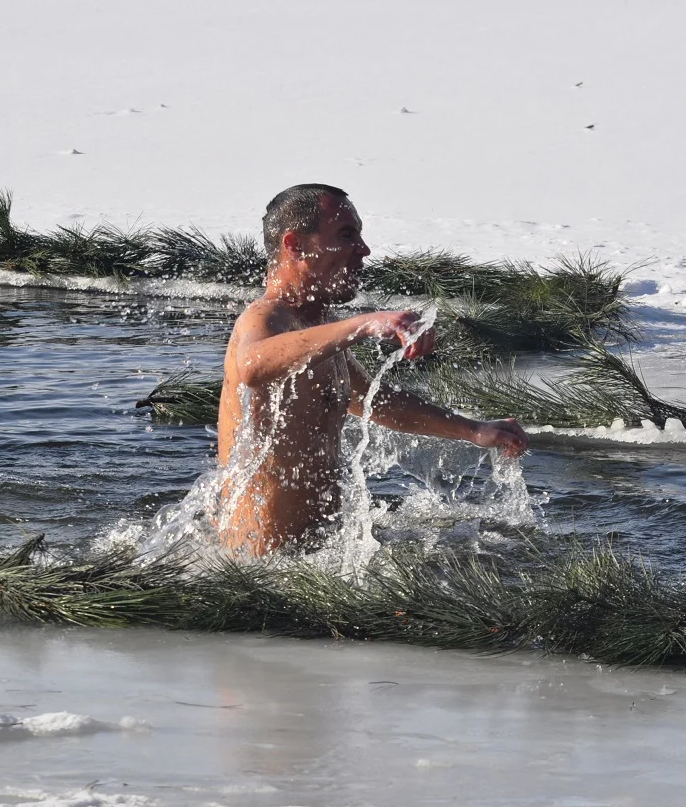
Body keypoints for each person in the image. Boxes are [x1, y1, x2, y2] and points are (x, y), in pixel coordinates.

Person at [216, 184, 529, 555]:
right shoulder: (265, 317)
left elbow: (375, 403)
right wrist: (363, 324)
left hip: (317, 556)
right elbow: (253, 365)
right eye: (347, 235)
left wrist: (475, 430)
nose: (363, 250)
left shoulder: (313, 329)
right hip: (260, 566)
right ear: (295, 245)